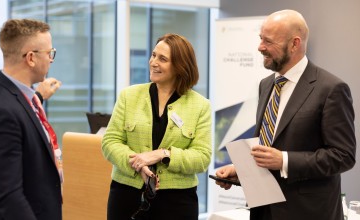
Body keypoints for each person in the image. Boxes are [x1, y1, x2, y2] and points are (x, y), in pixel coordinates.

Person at [214, 9, 356, 220]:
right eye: (261, 38)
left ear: (294, 44)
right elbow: (268, 144)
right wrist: (240, 171)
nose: (260, 47)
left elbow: (343, 156)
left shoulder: (331, 88)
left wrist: (285, 160)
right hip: (263, 209)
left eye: (268, 41)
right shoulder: (266, 85)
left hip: (308, 212)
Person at [102, 33, 212, 220]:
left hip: (177, 202)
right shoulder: (129, 96)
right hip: (127, 195)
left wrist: (163, 154)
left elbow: (202, 157)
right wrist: (136, 164)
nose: (153, 62)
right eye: (153, 55)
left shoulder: (200, 105)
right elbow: (110, 142)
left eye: (162, 59)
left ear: (180, 66)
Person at [0, 19, 62, 220]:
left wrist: (38, 97)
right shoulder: (2, 111)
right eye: (49, 53)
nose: (51, 59)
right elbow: (9, 195)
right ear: (30, 58)